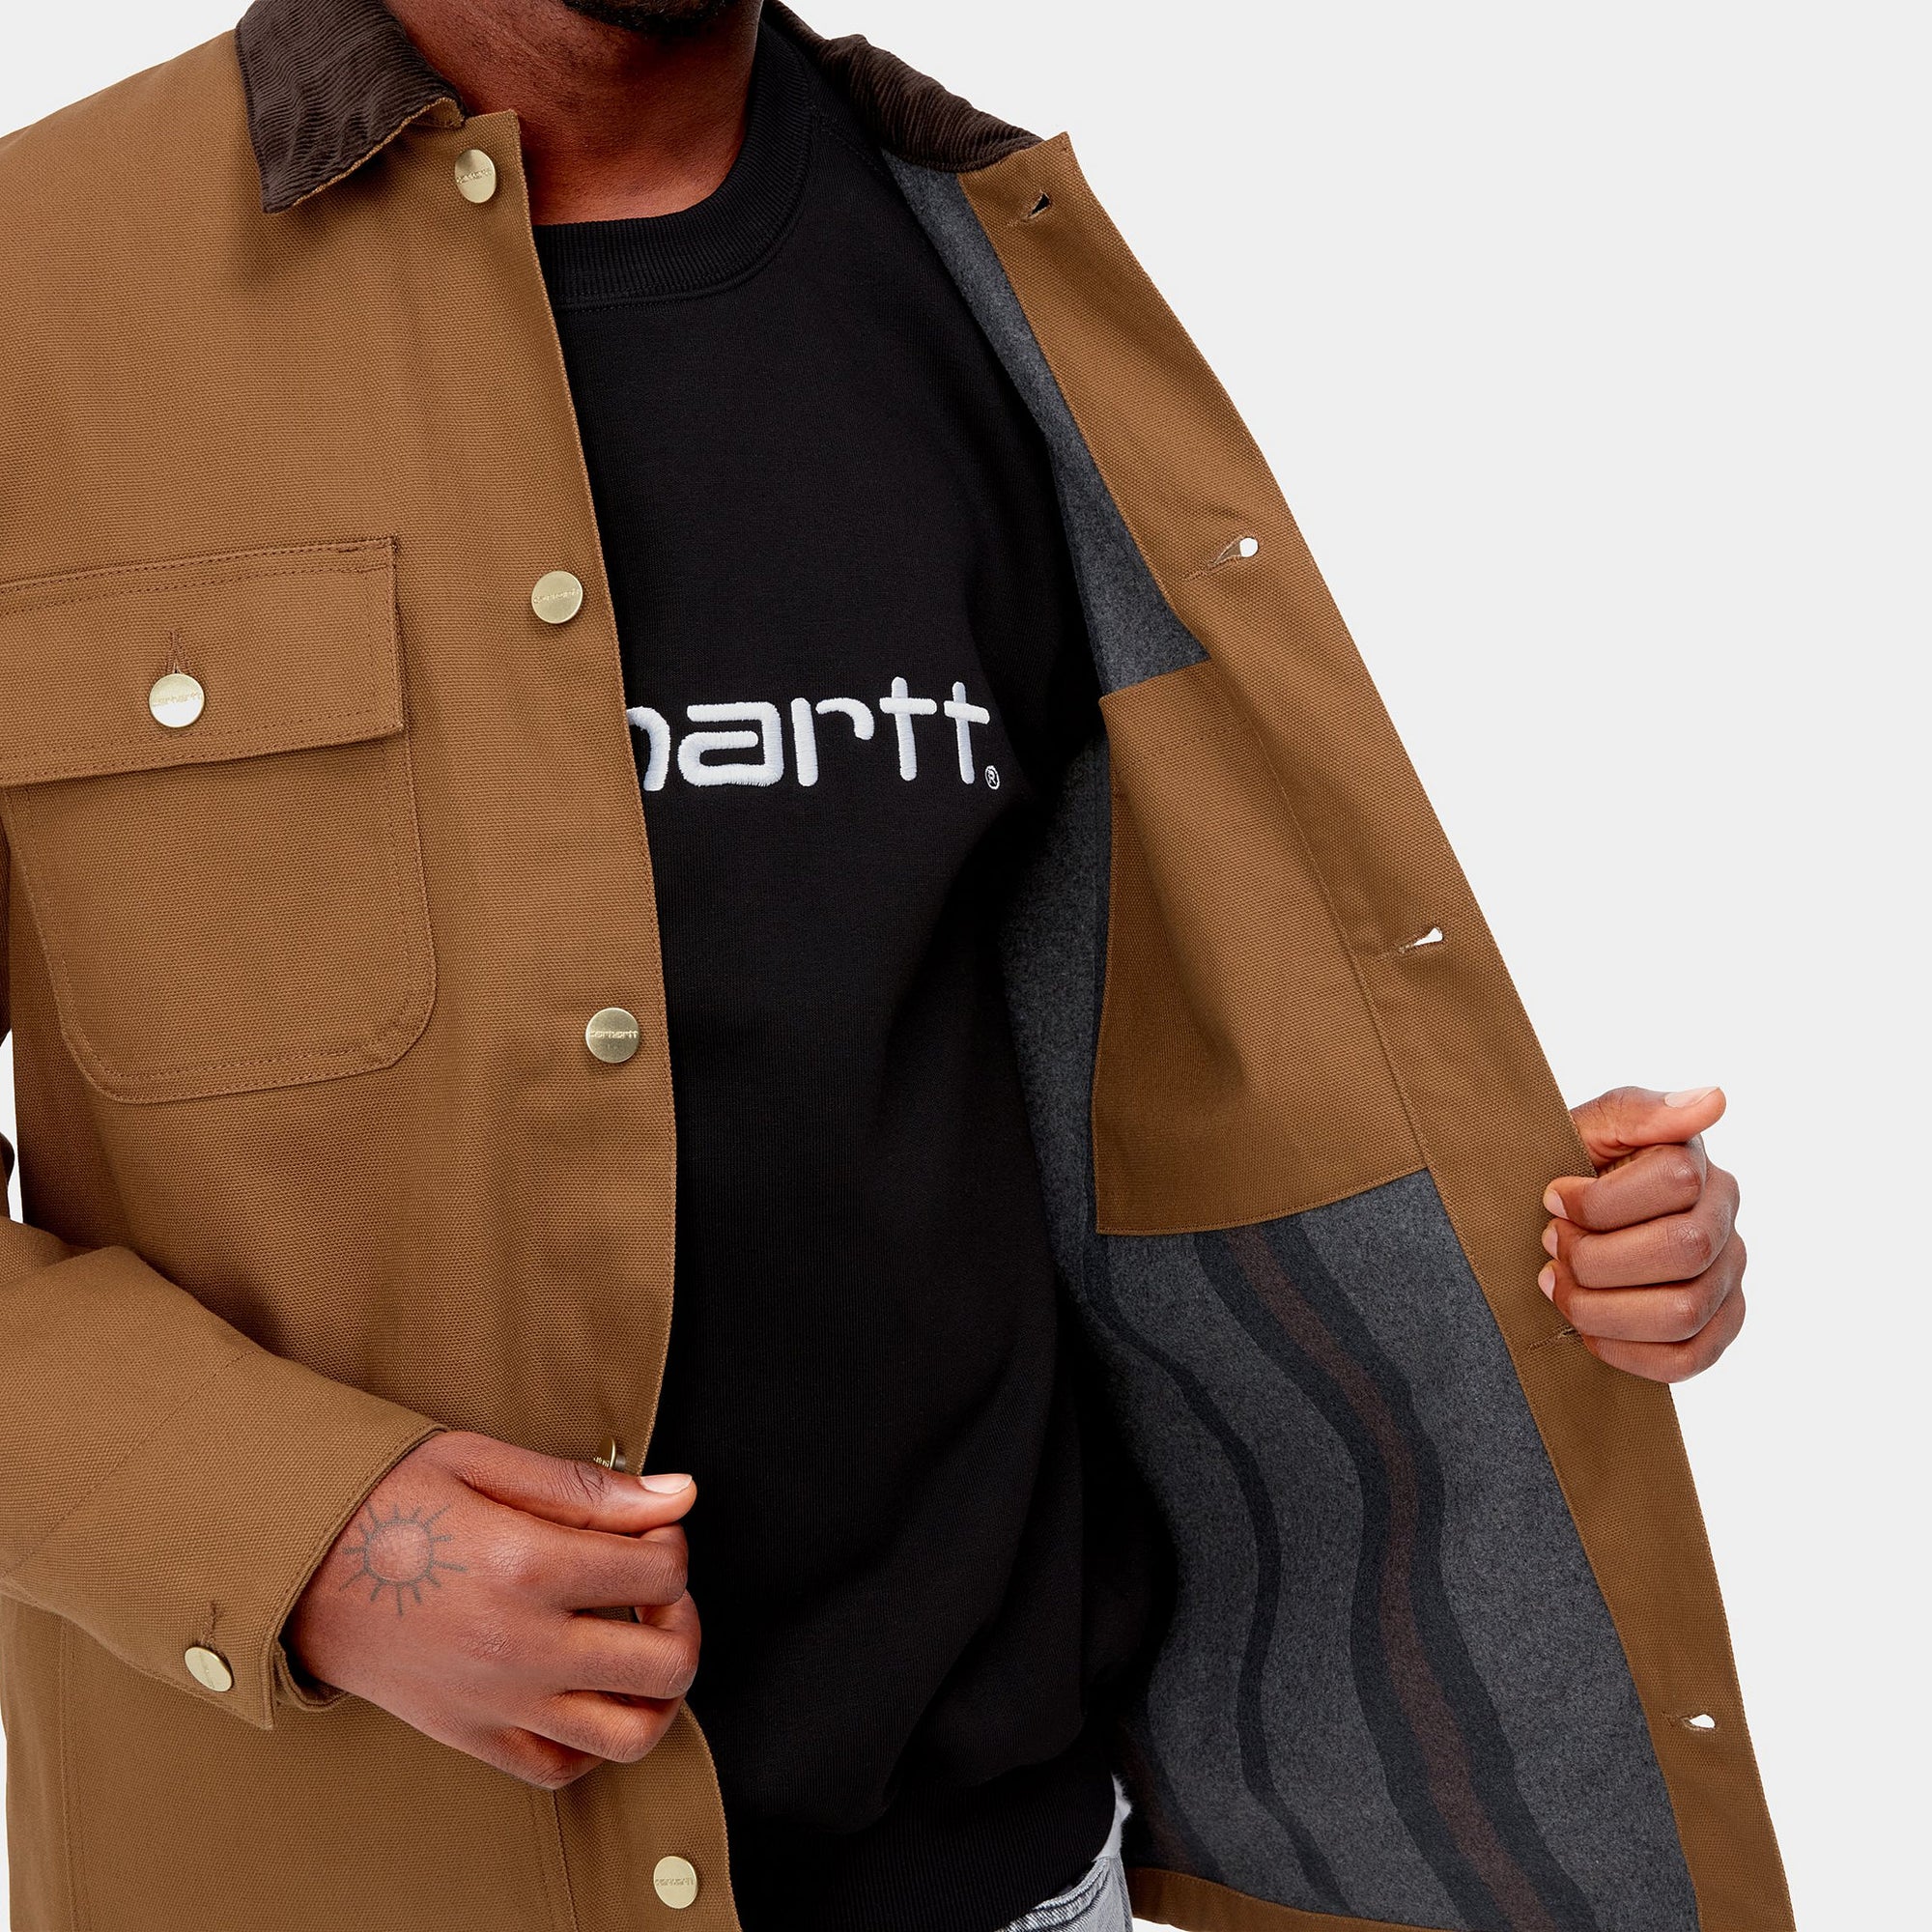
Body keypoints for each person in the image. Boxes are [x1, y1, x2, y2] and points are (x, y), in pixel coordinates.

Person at [0, 3, 1790, 1929]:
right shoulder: (39, 285)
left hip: (1014, 1874)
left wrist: (1542, 1241)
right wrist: (299, 1535)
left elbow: (1125, 1054)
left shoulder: (985, 261)